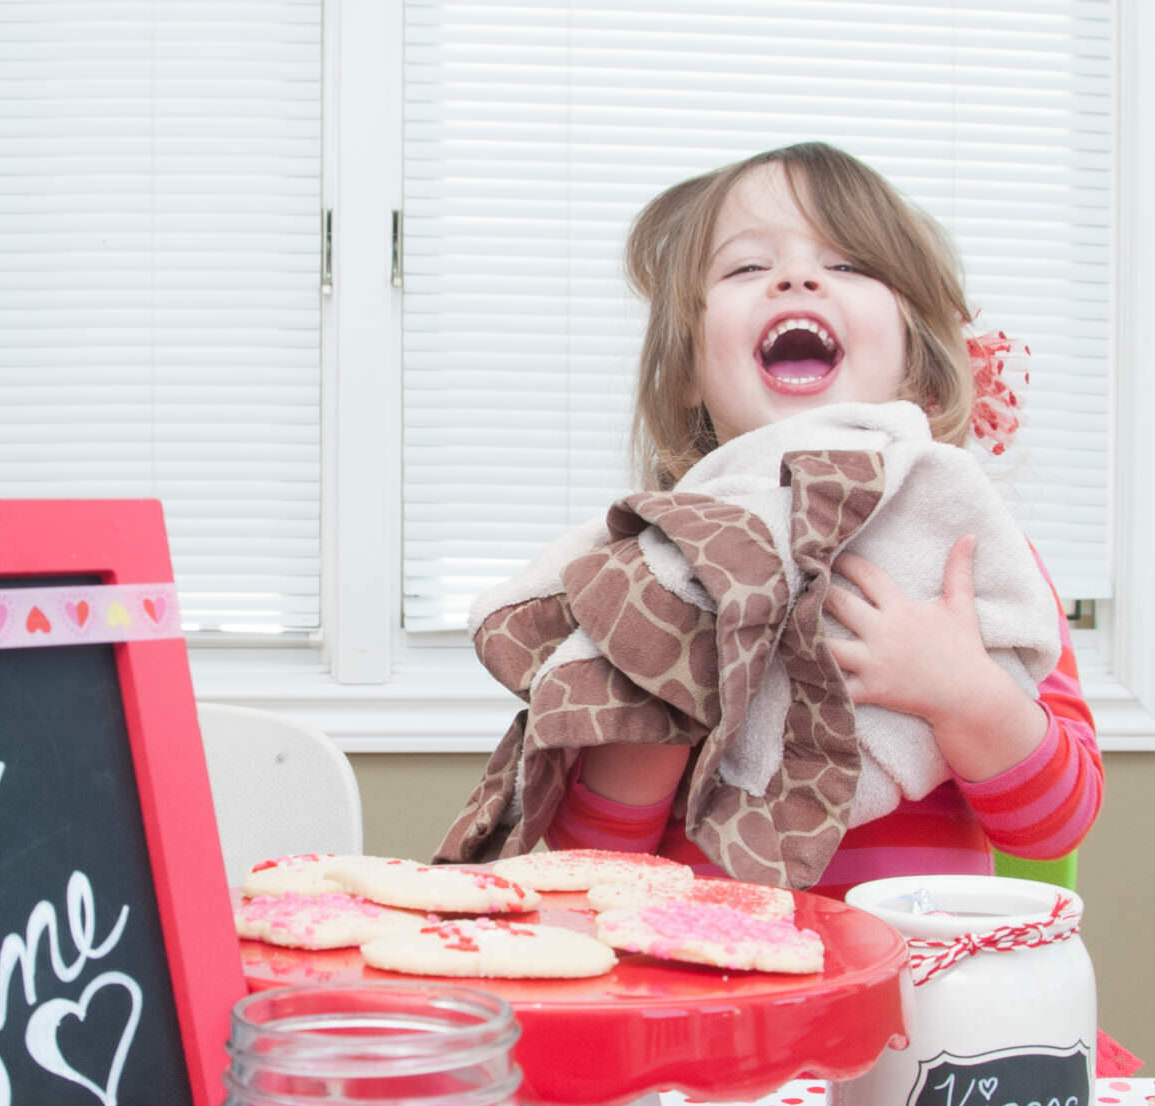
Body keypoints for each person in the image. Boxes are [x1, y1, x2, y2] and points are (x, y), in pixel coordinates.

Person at [457, 142, 1103, 898]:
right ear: (690, 372)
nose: (797, 279)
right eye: (744, 269)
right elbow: (588, 874)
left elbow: (1055, 825)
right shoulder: (654, 576)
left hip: (919, 995)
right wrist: (658, 712)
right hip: (715, 997)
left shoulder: (967, 551)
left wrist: (960, 691)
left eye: (850, 265)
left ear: (918, 361)